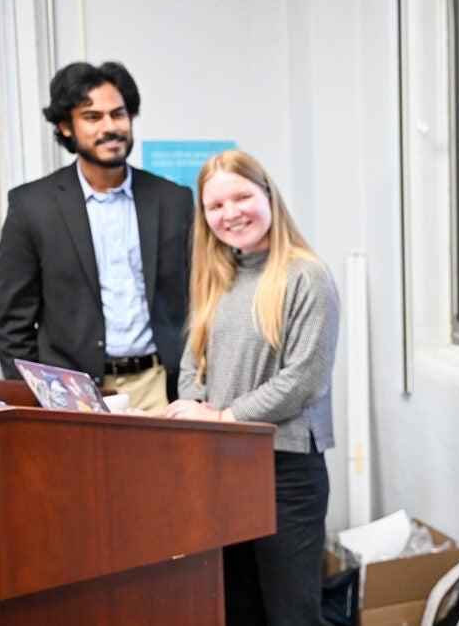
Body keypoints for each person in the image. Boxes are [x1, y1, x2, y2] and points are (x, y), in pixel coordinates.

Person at [165, 149, 338, 626]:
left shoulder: (306, 276)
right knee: (236, 609)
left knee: (291, 615)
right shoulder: (217, 278)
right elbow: (192, 363)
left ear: (268, 195)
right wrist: (193, 407)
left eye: (242, 197)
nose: (231, 213)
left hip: (285, 470)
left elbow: (305, 381)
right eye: (216, 205)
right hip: (220, 465)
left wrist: (223, 418)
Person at [0, 61, 193, 414]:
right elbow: (13, 322)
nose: (110, 127)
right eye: (92, 117)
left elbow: (200, 298)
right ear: (66, 126)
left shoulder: (174, 200)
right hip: (70, 392)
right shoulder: (31, 206)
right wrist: (38, 397)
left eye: (118, 114)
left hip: (160, 385)